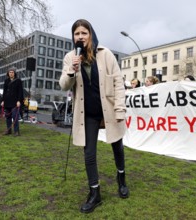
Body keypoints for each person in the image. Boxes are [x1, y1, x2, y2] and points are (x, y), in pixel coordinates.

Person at [59, 19, 129, 213]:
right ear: (73, 37)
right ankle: (95, 193)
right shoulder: (70, 57)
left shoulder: (105, 54)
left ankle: (121, 178)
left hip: (109, 109)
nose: (80, 37)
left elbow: (118, 82)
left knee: (117, 146)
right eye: (76, 33)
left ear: (91, 34)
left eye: (84, 32)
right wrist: (72, 71)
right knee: (89, 154)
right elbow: (63, 85)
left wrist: (120, 109)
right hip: (87, 113)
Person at [1, 67, 24, 136]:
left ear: (14, 73)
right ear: (8, 73)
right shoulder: (6, 81)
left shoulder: (18, 81)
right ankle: (9, 130)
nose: (11, 73)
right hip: (7, 101)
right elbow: (4, 91)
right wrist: (3, 100)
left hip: (15, 101)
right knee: (8, 116)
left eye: (12, 72)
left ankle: (16, 131)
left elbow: (20, 92)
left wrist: (19, 101)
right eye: (10, 72)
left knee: (15, 116)